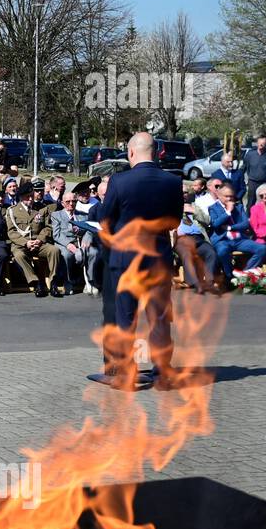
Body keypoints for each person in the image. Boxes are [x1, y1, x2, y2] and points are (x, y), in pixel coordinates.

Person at [93, 132, 184, 389]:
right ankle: (163, 372)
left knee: (126, 319)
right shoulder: (172, 181)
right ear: (156, 153)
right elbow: (175, 222)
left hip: (126, 260)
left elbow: (105, 219)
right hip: (158, 259)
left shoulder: (120, 181)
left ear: (131, 153)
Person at [6, 181, 63, 297]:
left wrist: (40, 240)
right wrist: (26, 243)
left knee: (54, 250)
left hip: (38, 243)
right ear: (21, 197)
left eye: (31, 196)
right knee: (18, 255)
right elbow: (11, 232)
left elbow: (48, 227)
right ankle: (36, 282)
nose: (30, 199)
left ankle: (53, 282)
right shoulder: (12, 211)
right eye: (27, 197)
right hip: (21, 244)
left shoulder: (42, 209)